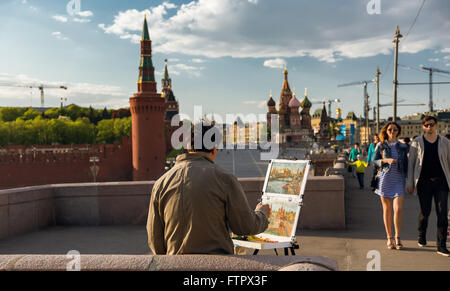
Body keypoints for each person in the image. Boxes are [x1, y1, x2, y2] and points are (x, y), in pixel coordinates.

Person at [146, 122, 271, 255]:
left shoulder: (161, 183)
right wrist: (262, 214)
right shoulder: (224, 179)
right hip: (216, 265)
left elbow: (154, 237)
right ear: (214, 149)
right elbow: (245, 226)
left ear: (188, 147)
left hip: (174, 265)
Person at [406, 116, 450, 257]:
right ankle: (421, 234)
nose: (429, 127)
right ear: (423, 127)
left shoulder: (445, 142)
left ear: (436, 126)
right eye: (426, 125)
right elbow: (411, 164)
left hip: (441, 182)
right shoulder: (417, 142)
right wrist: (410, 183)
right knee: (425, 212)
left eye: (431, 125)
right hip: (423, 182)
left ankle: (441, 246)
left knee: (442, 213)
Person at [373, 122, 409, 250]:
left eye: (395, 129)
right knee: (387, 210)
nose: (392, 131)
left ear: (398, 131)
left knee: (398, 209)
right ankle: (389, 238)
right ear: (386, 131)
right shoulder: (381, 145)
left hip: (399, 179)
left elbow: (408, 162)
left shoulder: (403, 146)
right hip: (385, 179)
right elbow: (374, 161)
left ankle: (398, 237)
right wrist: (385, 161)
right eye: (390, 129)